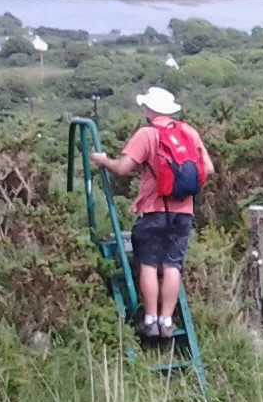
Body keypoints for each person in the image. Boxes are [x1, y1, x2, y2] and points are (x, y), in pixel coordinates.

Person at [88, 86, 213, 341]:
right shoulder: (188, 131)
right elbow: (208, 168)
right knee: (172, 264)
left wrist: (103, 161)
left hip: (154, 211)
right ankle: (167, 321)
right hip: (183, 212)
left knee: (148, 263)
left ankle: (150, 319)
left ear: (150, 109)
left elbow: (123, 168)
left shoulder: (147, 134)